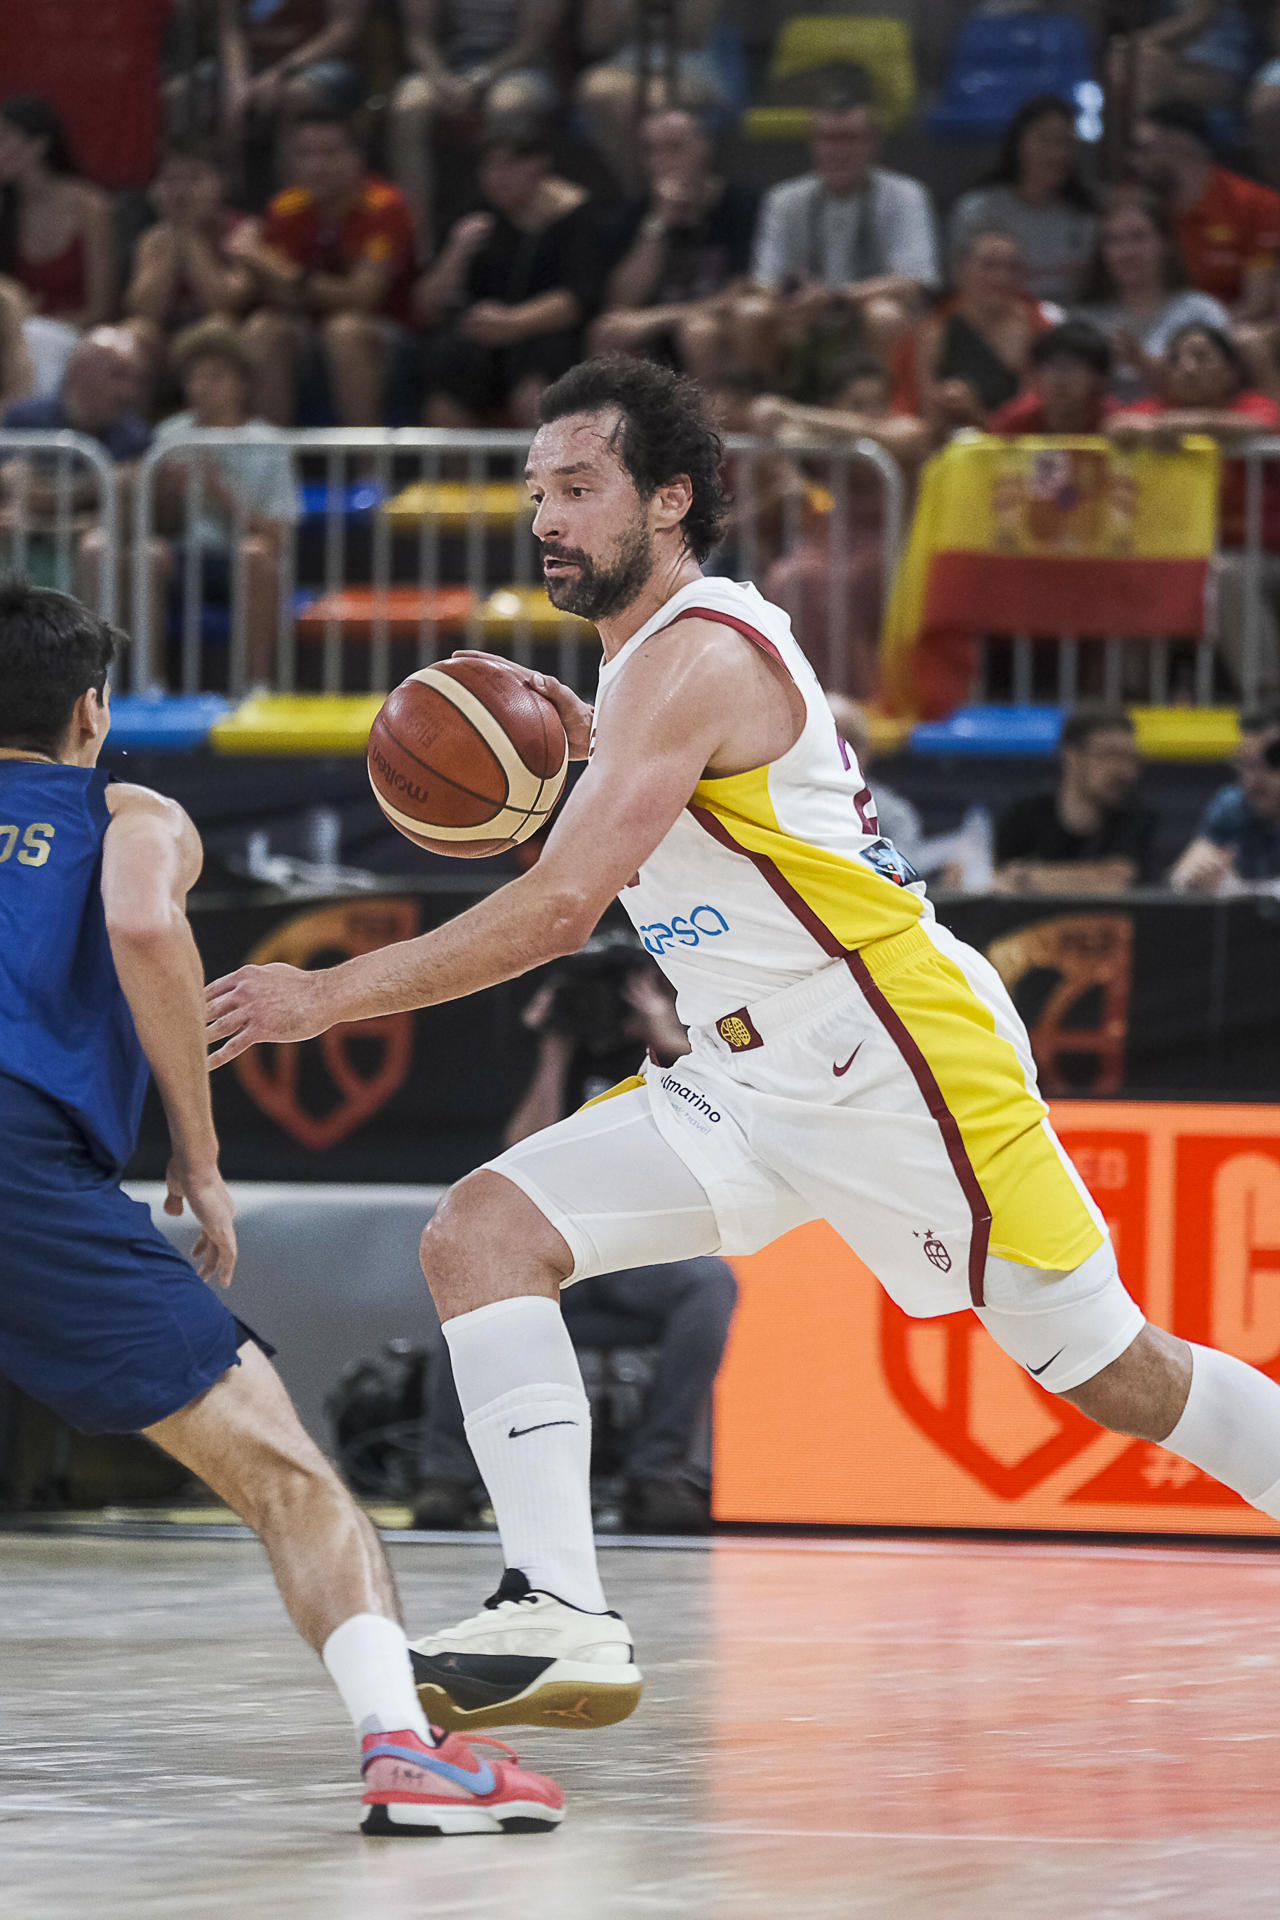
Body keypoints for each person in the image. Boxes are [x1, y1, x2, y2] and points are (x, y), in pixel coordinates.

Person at [205, 355, 1280, 1740]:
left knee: (1113, 1370)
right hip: (744, 1079)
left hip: (890, 1053)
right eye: (536, 491)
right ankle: (560, 1612)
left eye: (579, 489)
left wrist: (321, 997)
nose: (547, 519)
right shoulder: (635, 670)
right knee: (481, 1233)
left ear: (669, 499)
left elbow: (556, 910)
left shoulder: (703, 650)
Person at [0, 581, 564, 1833]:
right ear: (92, 710)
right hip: (22, 1170)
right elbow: (143, 917)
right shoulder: (124, 807)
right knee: (292, 1481)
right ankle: (407, 1756)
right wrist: (197, 1159)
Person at [414, 943, 736, 1534]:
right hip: (554, 1257)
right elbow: (518, 1153)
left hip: (637, 1254)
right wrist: (554, 1048)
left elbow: (729, 1111)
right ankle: (448, 1478)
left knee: (709, 1283)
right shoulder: (544, 1052)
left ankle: (661, 1472)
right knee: (467, 1283)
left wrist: (663, 1035)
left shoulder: (677, 1050)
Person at [1108, 319, 1280, 691]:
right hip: (1171, 552)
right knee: (1129, 574)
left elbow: (1261, 426)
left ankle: (1267, 697)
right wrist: (1164, 425)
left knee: (1223, 573)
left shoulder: (1251, 404)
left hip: (1254, 553)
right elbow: (1118, 427)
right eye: (1177, 358)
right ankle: (1131, 701)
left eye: (1202, 357)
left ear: (1232, 371)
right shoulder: (1154, 408)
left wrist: (1180, 426)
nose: (1187, 366)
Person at [745, 360, 928, 694]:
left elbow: (894, 439)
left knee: (834, 583)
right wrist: (769, 414)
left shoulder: (907, 430)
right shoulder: (823, 436)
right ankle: (799, 697)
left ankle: (859, 697)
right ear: (836, 405)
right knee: (786, 577)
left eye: (876, 402)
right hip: (829, 541)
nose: (868, 412)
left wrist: (791, 410)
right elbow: (772, 427)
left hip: (892, 547)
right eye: (856, 403)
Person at [409, 120, 604, 429]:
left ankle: (542, 473)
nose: (495, 178)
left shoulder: (578, 216)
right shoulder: (474, 216)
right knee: (447, 367)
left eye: (508, 166)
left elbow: (579, 298)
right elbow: (424, 308)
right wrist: (456, 252)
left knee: (539, 373)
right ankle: (449, 478)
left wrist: (513, 322)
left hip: (544, 339)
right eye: (488, 167)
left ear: (539, 165)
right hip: (481, 342)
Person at [739, 96, 939, 390]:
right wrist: (791, 303)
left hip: (863, 311)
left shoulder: (906, 195)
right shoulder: (783, 199)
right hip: (800, 313)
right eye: (829, 139)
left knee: (885, 314)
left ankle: (885, 416)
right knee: (751, 312)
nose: (839, 151)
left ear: (874, 143)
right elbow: (764, 280)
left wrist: (835, 297)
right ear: (812, 143)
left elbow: (915, 281)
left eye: (851, 139)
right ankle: (761, 407)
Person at [236, 109, 416, 427]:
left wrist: (280, 270)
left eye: (330, 154)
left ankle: (368, 472)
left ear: (357, 157)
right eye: (305, 155)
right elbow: (280, 298)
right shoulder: (284, 208)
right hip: (308, 333)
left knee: (344, 330)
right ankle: (269, 467)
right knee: (264, 327)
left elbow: (363, 299)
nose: (317, 166)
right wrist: (281, 278)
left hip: (388, 336)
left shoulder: (386, 206)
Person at [149, 320, 299, 690]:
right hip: (183, 556)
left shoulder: (269, 441)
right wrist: (170, 495)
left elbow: (280, 535)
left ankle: (256, 686)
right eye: (194, 378)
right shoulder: (169, 436)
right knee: (147, 554)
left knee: (256, 554)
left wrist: (225, 499)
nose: (201, 388)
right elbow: (156, 523)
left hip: (236, 558)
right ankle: (148, 684)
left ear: (242, 385)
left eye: (215, 377)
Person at [0, 328, 163, 655]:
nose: (128, 391)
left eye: (135, 380)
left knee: (100, 546)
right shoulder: (27, 417)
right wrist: (100, 483)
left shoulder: (134, 435)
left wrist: (37, 521)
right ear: (81, 371)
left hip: (74, 552)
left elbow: (118, 521)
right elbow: (18, 487)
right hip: (17, 547)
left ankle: (92, 678)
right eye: (119, 376)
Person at [589, 107, 757, 393]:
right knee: (607, 333)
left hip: (718, 330)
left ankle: (710, 430)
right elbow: (622, 299)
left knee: (698, 332)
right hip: (655, 336)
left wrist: (658, 318)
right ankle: (625, 432)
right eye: (652, 151)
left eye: (676, 148)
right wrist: (659, 222)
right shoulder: (631, 217)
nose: (664, 161)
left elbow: (745, 291)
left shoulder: (742, 206)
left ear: (704, 148)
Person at [388, 0, 564, 255]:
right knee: (408, 106)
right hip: (448, 67)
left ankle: (502, 239)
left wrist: (477, 81)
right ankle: (416, 244)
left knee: (507, 105)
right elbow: (418, 37)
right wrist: (442, 80)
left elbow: (531, 43)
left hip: (521, 67)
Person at [892, 227, 1054, 440]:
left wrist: (975, 412)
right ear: (960, 272)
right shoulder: (933, 333)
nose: (1001, 277)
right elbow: (928, 425)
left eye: (1012, 268)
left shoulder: (1042, 331)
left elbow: (1042, 421)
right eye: (989, 266)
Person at [124, 141, 254, 401]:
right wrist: (175, 239)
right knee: (136, 332)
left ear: (220, 185)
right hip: (170, 348)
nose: (181, 191)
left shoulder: (243, 231)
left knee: (219, 327)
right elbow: (144, 310)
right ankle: (131, 437)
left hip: (227, 343)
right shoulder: (152, 240)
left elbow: (223, 303)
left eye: (194, 178)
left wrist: (190, 238)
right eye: (170, 180)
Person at [1129, 99, 1280, 314]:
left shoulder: (1257, 204)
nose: (1135, 161)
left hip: (1228, 334)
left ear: (1180, 147)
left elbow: (1257, 306)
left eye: (1144, 149)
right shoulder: (1142, 209)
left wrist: (1196, 333)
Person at [948, 95, 1099, 308]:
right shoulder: (979, 210)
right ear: (1018, 143)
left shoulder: (1085, 214)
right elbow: (960, 287)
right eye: (1046, 140)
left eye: (1066, 142)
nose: (1057, 153)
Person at [1076, 189, 1228, 401]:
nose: (1126, 251)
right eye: (1113, 241)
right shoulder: (1085, 321)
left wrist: (1140, 361)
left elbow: (1223, 388)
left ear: (1165, 244)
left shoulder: (1201, 311)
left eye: (1139, 237)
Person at [992, 705, 1158, 894]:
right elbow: (990, 878)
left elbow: (1116, 880)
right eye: (1110, 755)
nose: (1124, 771)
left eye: (1130, 758)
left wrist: (1027, 877)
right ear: (1071, 757)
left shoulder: (1138, 818)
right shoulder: (1024, 815)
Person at [218, 0, 369, 207]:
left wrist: (282, 71)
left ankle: (292, 205)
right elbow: (230, 30)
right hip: (252, 65)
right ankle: (227, 207)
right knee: (194, 94)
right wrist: (236, 82)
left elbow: (343, 30)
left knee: (295, 93)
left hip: (320, 63)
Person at [575, 0, 735, 195]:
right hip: (625, 66)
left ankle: (652, 195)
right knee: (594, 90)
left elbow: (693, 34)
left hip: (688, 68)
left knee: (650, 102)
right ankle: (639, 192)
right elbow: (595, 40)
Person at [0, 94, 116, 334]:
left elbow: (102, 308)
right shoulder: (5, 208)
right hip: (13, 343)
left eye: (2, 138)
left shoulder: (88, 205)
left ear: (38, 145)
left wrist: (38, 327)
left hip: (76, 339)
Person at [1170, 703, 1280, 887]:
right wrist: (1189, 879)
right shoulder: (1232, 805)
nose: (1254, 779)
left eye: (1270, 763)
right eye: (1245, 764)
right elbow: (1182, 878)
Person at [988, 318, 1117, 434]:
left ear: (1099, 378)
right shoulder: (1013, 422)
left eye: (1073, 367)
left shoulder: (1117, 422)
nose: (1060, 378)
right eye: (1050, 366)